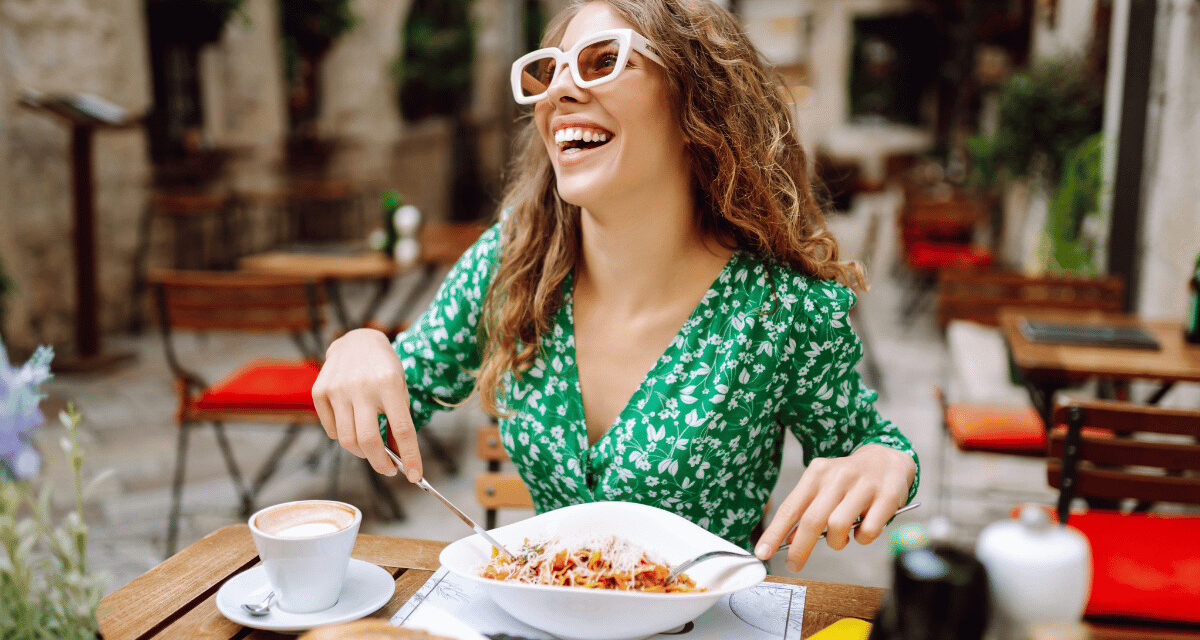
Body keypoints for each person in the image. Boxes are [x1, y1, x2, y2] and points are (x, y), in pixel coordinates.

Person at [312, 0, 918, 573]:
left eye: (604, 61)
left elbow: (868, 448)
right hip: (545, 620)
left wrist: (884, 463)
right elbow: (391, 411)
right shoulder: (511, 262)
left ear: (693, 104)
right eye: (547, 74)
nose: (561, 92)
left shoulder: (780, 309)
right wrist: (360, 348)